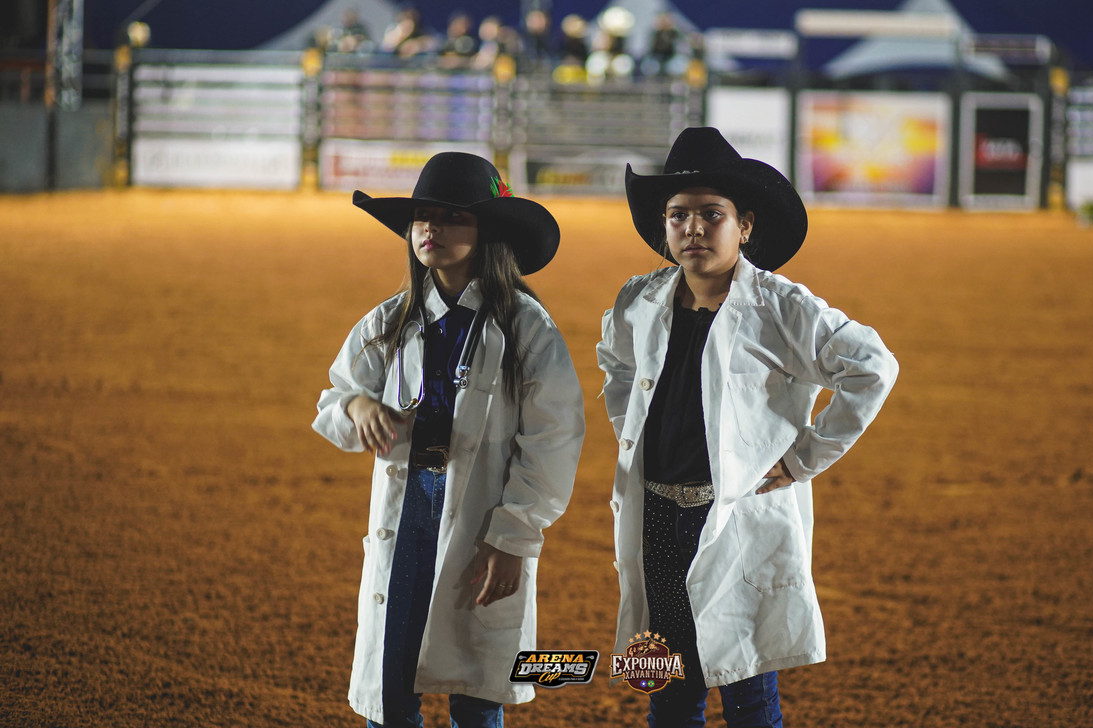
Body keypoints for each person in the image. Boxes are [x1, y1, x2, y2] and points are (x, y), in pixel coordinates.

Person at [597, 127, 898, 727]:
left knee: (747, 690)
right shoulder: (639, 300)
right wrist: (633, 430)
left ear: (745, 226)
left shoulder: (780, 306)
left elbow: (872, 366)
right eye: (678, 215)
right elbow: (617, 364)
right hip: (657, 515)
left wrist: (803, 458)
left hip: (735, 520)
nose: (694, 228)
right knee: (669, 687)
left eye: (712, 214)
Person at [314, 152, 586, 727]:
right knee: (391, 682)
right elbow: (334, 400)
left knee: (477, 690)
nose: (430, 228)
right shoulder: (388, 321)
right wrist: (357, 406)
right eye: (423, 217)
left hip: (484, 522)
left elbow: (553, 439)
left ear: (487, 231)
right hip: (408, 515)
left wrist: (514, 536)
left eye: (452, 216)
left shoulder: (526, 326)